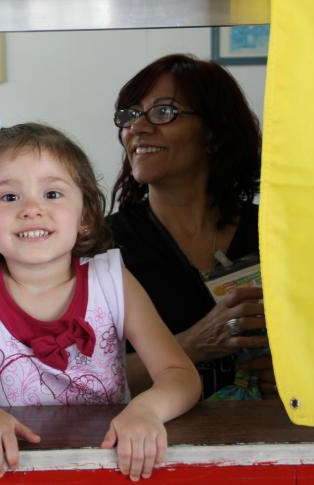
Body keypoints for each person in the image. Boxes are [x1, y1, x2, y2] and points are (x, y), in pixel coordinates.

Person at [0, 115, 201, 481]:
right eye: (9, 197)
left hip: (109, 465)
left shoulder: (113, 280)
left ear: (85, 215)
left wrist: (147, 410)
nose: (31, 209)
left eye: (52, 194)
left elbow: (181, 375)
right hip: (7, 467)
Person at [107, 53, 272, 399]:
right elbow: (85, 383)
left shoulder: (274, 234)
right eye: (130, 114)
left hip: (263, 430)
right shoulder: (104, 246)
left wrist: (292, 375)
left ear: (214, 133)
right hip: (150, 432)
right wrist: (193, 345)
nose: (137, 127)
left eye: (164, 112)